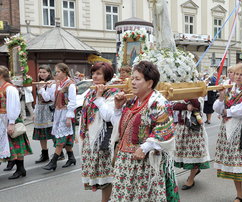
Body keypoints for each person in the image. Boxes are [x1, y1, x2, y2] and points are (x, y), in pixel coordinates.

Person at [110, 61, 179, 201]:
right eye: (132, 78)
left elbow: (165, 130)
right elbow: (123, 127)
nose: (133, 82)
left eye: (137, 79)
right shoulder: (132, 101)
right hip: (126, 163)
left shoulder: (158, 103)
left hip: (145, 164)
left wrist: (145, 147)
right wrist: (117, 109)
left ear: (149, 83)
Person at [213, 63, 242, 202]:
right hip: (227, 130)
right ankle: (239, 194)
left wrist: (227, 111)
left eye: (241, 74)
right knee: (234, 165)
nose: (238, 77)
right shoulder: (229, 89)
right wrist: (221, 98)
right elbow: (217, 107)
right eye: (236, 74)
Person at [79, 62, 119, 201]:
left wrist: (100, 96)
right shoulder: (90, 91)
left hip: (104, 138)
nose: (95, 76)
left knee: (107, 174)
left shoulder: (113, 91)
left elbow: (108, 116)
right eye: (93, 73)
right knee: (98, 174)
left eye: (98, 73)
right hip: (90, 137)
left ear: (106, 76)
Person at [42, 63, 77, 171]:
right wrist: (46, 88)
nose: (56, 74)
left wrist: (68, 117)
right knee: (65, 136)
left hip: (66, 112)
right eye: (55, 72)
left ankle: (53, 162)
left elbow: (72, 101)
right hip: (58, 112)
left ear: (64, 72)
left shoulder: (70, 84)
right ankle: (71, 157)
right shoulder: (59, 84)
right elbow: (52, 98)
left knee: (61, 137)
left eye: (58, 72)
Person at [0, 65, 32, 179]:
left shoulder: (10, 88)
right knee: (7, 145)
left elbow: (13, 106)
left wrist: (11, 122)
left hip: (9, 118)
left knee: (17, 144)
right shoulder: (1, 87)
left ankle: (20, 169)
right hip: (2, 119)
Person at [173, 98, 210, 190]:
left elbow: (196, 105)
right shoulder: (181, 95)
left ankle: (191, 178)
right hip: (182, 128)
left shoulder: (198, 95)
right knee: (184, 154)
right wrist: (185, 106)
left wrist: (190, 96)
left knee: (195, 155)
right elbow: (174, 106)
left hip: (193, 129)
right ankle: (195, 171)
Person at [32, 65, 55, 164]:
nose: (41, 74)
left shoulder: (51, 84)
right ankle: (44, 154)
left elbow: (47, 98)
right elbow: (38, 99)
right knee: (41, 133)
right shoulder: (39, 83)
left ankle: (59, 152)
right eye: (40, 72)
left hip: (48, 110)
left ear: (49, 73)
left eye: (44, 72)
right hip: (40, 110)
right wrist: (34, 111)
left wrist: (41, 89)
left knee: (52, 132)